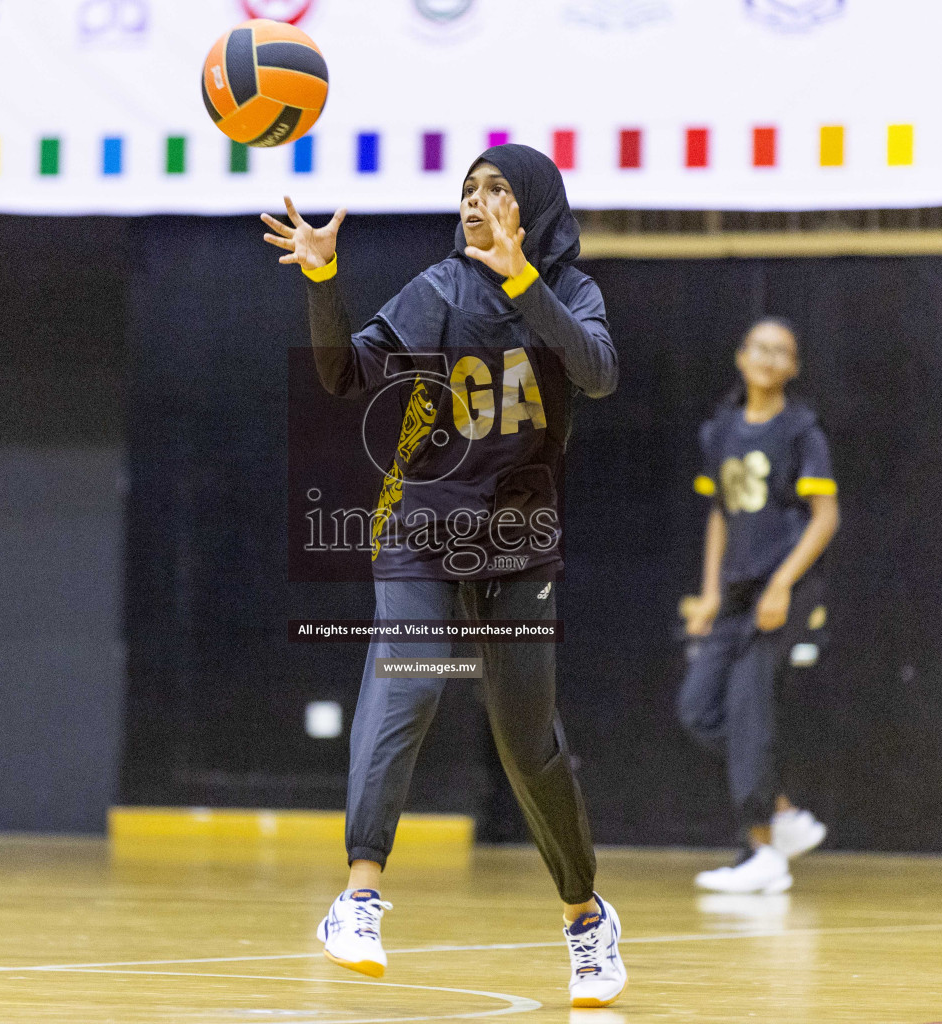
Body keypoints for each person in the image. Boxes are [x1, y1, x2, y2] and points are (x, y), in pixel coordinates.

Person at [260, 144, 625, 1007]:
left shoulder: (570, 294)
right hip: (421, 526)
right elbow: (340, 374)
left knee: (527, 745)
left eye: (497, 189)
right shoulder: (438, 291)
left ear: (533, 209)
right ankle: (357, 898)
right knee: (410, 681)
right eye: (467, 188)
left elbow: (600, 374)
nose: (476, 200)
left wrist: (523, 282)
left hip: (520, 545)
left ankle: (585, 918)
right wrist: (322, 277)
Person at [676, 317, 839, 895]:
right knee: (699, 710)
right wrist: (711, 594)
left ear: (793, 367)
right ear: (741, 357)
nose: (769, 358)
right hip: (737, 592)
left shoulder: (802, 432)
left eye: (782, 352)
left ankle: (763, 851)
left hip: (783, 592)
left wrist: (782, 586)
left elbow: (825, 517)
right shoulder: (721, 430)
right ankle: (784, 815)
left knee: (749, 710)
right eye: (760, 348)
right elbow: (720, 515)